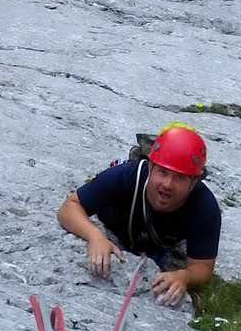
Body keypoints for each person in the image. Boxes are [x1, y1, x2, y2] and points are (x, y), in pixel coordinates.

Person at [57, 124, 221, 308]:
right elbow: (70, 207)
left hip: (160, 248)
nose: (168, 184)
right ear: (150, 167)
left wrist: (185, 276)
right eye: (163, 172)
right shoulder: (127, 176)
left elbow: (203, 267)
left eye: (180, 177)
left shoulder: (204, 206)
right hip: (115, 228)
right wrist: (95, 236)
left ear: (193, 182)